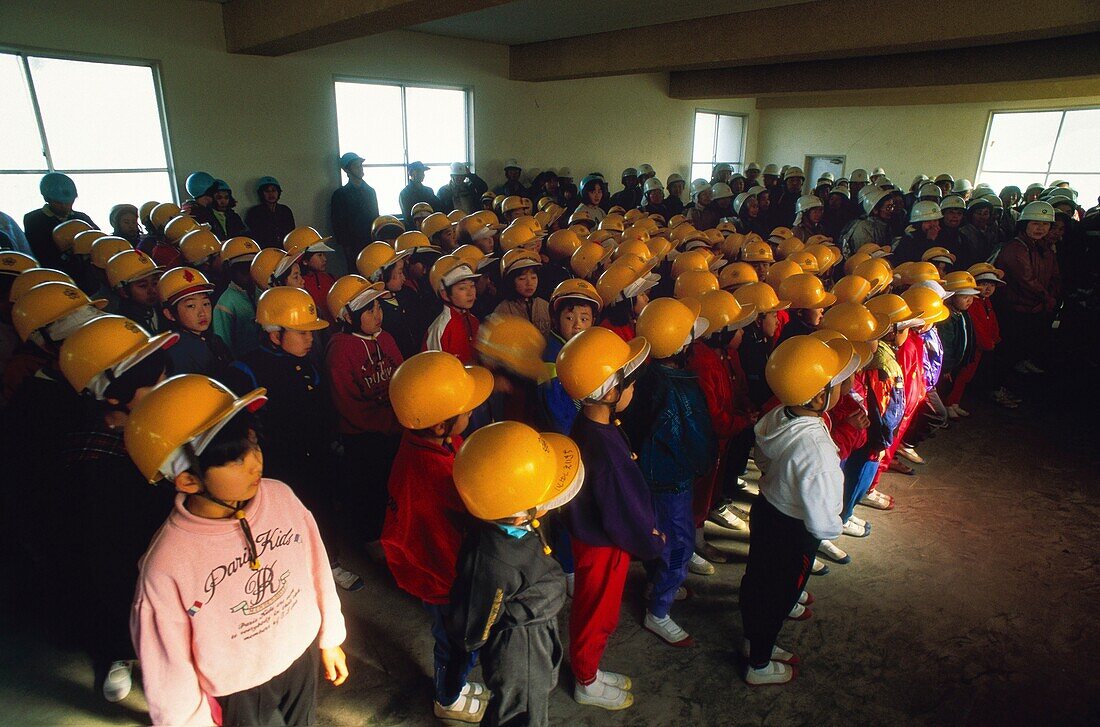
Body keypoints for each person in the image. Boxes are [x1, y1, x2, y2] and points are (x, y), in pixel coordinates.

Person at [126, 374, 348, 726]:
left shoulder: (281, 496)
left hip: (301, 655)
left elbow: (316, 567)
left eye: (252, 442)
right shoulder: (167, 564)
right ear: (187, 479)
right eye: (234, 458)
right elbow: (168, 665)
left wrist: (330, 636)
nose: (255, 461)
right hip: (241, 689)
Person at [56, 315, 177, 703]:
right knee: (117, 591)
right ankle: (119, 652)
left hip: (166, 544)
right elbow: (99, 550)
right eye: (153, 383)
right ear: (112, 396)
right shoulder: (94, 458)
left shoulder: (156, 421)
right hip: (121, 553)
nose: (164, 389)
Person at [381, 351, 494, 723]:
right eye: (465, 410)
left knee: (458, 641)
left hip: (443, 570)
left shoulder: (427, 443)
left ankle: (457, 685)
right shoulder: (431, 469)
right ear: (440, 424)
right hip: (445, 578)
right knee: (456, 644)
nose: (472, 413)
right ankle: (448, 698)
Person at [551, 327, 660, 710]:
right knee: (597, 614)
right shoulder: (605, 447)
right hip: (604, 546)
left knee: (595, 610)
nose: (633, 389)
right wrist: (652, 543)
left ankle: (589, 669)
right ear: (610, 391)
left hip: (594, 539)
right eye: (627, 381)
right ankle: (585, 679)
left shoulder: (590, 425)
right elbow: (625, 513)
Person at [448, 421, 583, 727]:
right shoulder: (493, 558)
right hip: (519, 651)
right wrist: (480, 634)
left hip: (532, 638)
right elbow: (471, 625)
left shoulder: (500, 520)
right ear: (520, 511)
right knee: (521, 714)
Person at [740, 335, 856, 685]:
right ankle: (758, 665)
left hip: (767, 511)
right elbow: (823, 521)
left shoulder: (779, 414)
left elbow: (762, 457)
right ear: (818, 397)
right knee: (780, 596)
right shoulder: (818, 449)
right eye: (832, 385)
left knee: (758, 583)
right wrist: (830, 529)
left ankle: (754, 640)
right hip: (794, 531)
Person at [622, 297, 714, 647]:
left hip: (646, 478)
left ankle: (655, 582)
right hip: (672, 482)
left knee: (656, 535)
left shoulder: (641, 375)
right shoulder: (683, 389)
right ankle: (658, 610)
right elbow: (697, 442)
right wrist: (703, 465)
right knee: (679, 545)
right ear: (682, 344)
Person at [324, 275, 403, 548]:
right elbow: (348, 404)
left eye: (378, 307)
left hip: (394, 428)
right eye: (369, 310)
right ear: (348, 316)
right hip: (363, 437)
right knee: (369, 490)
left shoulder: (388, 338)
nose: (378, 314)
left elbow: (402, 379)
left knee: (393, 484)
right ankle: (372, 540)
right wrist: (387, 421)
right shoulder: (339, 351)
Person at [685, 290, 758, 572]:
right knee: (696, 496)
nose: (742, 333)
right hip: (706, 443)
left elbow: (736, 389)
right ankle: (691, 543)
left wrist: (745, 409)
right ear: (720, 332)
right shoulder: (703, 362)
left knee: (707, 493)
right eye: (737, 328)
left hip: (721, 442)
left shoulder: (725, 355)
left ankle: (698, 533)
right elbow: (713, 418)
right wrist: (742, 422)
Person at [995, 201, 1058, 376]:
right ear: (1024, 224)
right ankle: (998, 386)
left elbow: (1054, 275)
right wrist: (1047, 297)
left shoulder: (1043, 247)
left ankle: (1019, 363)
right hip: (1015, 307)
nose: (1040, 228)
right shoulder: (1015, 247)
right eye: (1036, 223)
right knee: (1008, 347)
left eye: (1045, 224)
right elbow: (1026, 279)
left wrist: (1050, 296)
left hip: (1034, 306)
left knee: (1023, 343)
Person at [158, 266, 232, 376]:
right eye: (191, 306)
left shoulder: (214, 340)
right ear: (170, 314)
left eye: (206, 304)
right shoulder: (175, 353)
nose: (202, 313)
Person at [23, 172, 96, 269]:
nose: (64, 206)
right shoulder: (34, 219)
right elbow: (39, 251)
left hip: (86, 273)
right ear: (47, 199)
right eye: (58, 202)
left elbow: (98, 242)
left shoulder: (82, 218)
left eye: (69, 202)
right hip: (53, 271)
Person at [937, 272, 980, 419]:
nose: (969, 300)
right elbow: (946, 345)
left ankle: (949, 407)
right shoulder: (947, 318)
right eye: (964, 297)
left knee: (952, 386)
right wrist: (946, 367)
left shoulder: (963, 314)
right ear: (951, 296)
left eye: (971, 297)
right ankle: (940, 415)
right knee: (942, 389)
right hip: (946, 366)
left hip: (957, 362)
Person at [425, 254, 482, 363]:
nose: (470, 293)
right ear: (445, 294)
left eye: (472, 286)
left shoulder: (473, 321)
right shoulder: (440, 329)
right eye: (462, 288)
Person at [213, 236, 262, 358]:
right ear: (229, 270)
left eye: (253, 267)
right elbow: (224, 346)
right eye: (244, 269)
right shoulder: (225, 304)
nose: (250, 274)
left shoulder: (261, 292)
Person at [331, 152, 380, 270]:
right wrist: (346, 246)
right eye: (356, 166)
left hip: (371, 241)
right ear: (347, 170)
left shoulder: (370, 191)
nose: (360, 168)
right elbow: (338, 223)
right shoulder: (340, 194)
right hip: (353, 244)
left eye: (361, 165)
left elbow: (376, 216)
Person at [284, 226, 337, 323]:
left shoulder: (329, 278)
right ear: (304, 260)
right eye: (319, 255)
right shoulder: (298, 285)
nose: (324, 259)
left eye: (323, 254)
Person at [494, 249, 552, 336]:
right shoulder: (502, 311)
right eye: (522, 278)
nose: (529, 283)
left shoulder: (545, 306)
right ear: (511, 282)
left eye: (533, 277)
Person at [105, 249, 163, 332]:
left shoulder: (165, 310)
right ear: (123, 291)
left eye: (154, 283)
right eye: (143, 286)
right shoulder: (119, 326)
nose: (152, 290)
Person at [245, 176, 297, 249]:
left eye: (274, 190)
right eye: (267, 191)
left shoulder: (285, 210)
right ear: (261, 193)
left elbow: (291, 233)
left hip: (285, 249)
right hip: (264, 251)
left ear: (278, 192)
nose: (271, 194)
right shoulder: (254, 212)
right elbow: (254, 235)